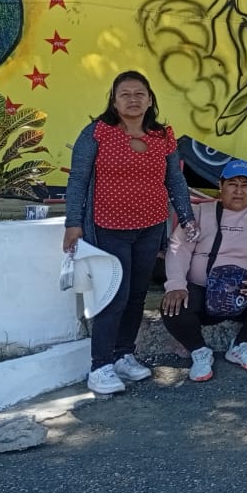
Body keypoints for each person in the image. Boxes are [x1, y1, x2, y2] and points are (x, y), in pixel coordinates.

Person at [64, 70, 196, 396]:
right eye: (125, 94)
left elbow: (174, 180)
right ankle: (100, 366)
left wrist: (186, 217)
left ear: (150, 100)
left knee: (137, 295)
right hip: (109, 230)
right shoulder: (97, 133)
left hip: (150, 229)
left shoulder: (162, 135)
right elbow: (78, 179)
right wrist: (73, 223)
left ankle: (123, 354)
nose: (133, 100)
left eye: (140, 94)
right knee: (113, 296)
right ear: (114, 101)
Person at [159, 159, 247, 382]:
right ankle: (199, 352)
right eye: (232, 184)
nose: (239, 191)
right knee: (173, 305)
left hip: (245, 293)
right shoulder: (199, 213)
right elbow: (179, 249)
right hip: (203, 290)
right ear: (221, 185)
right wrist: (176, 284)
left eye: (245, 185)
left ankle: (241, 346)